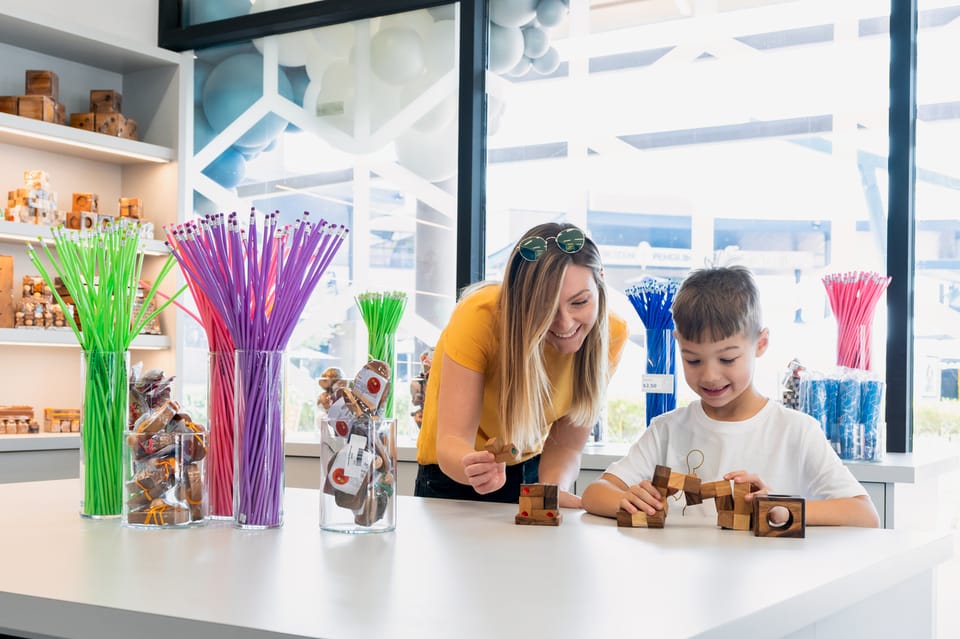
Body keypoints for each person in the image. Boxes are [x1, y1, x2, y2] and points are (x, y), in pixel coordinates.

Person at [581, 265, 880, 527]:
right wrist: (626, 499)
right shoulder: (667, 429)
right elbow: (595, 494)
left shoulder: (796, 431)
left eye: (727, 360)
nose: (710, 376)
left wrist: (779, 508)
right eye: (693, 360)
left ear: (760, 344)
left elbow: (864, 513)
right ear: (677, 345)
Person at [415, 223, 629, 508]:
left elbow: (566, 444)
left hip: (530, 471)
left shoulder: (611, 334)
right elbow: (452, 440)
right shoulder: (479, 318)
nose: (565, 323)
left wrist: (550, 490)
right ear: (520, 300)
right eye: (545, 307)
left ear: (600, 281)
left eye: (579, 302)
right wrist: (473, 468)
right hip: (452, 478)